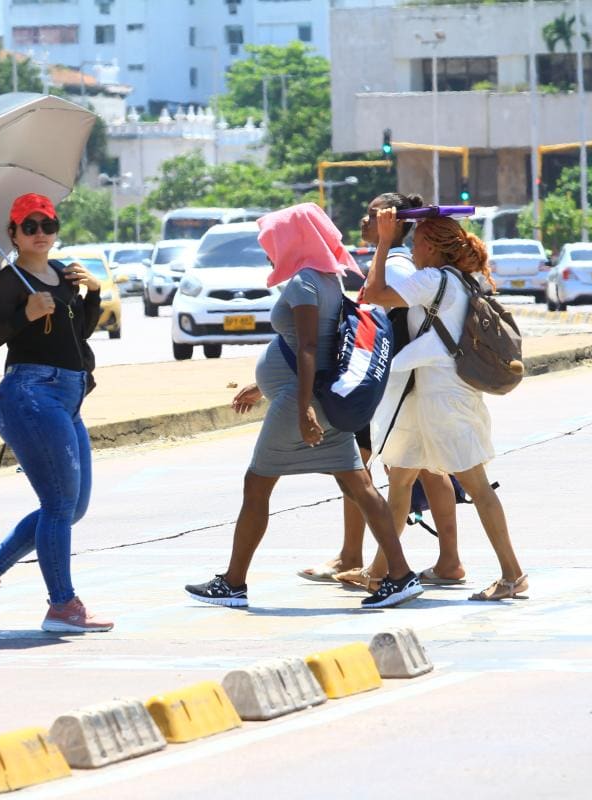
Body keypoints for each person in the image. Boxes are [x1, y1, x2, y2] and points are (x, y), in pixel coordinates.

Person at [185, 203, 424, 610]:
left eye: (272, 243)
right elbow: (300, 345)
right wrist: (261, 384)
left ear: (293, 241)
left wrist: (301, 410)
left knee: (256, 486)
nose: (267, 251)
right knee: (362, 488)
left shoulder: (303, 283)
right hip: (323, 400)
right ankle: (399, 576)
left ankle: (233, 583)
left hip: (302, 404)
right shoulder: (327, 278)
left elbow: (311, 348)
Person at [0, 193, 113, 634]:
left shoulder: (62, 274)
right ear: (13, 234)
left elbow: (76, 336)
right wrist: (25, 314)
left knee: (71, 506)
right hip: (29, 394)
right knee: (60, 503)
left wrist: (92, 295)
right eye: (30, 226)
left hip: (68, 395)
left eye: (48, 225)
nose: (41, 234)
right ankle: (62, 606)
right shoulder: (7, 282)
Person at [299, 192, 464, 589]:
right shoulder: (389, 258)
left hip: (392, 381)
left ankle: (369, 561)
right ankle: (435, 560)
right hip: (395, 379)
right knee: (410, 468)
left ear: (393, 223)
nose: (364, 221)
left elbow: (389, 303)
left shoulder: (397, 261)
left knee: (360, 465)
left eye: (373, 215)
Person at [361, 207, 528, 602]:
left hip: (445, 401)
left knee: (477, 486)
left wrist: (385, 242)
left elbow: (373, 293)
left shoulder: (433, 279)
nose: (414, 249)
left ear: (433, 248)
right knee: (400, 480)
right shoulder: (461, 280)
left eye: (417, 242)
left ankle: (513, 574)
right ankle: (380, 573)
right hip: (427, 398)